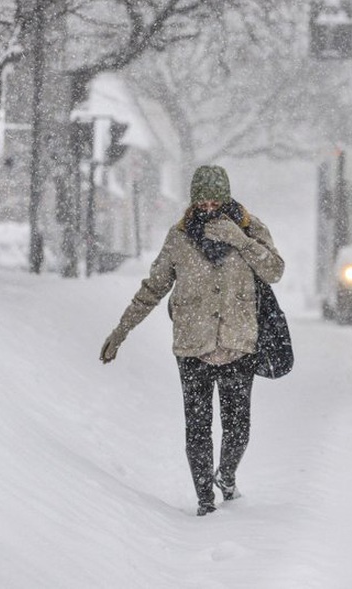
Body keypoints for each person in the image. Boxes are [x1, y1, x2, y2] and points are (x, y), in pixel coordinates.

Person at [99, 165, 284, 516]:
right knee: (198, 429)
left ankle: (226, 476)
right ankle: (204, 501)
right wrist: (121, 332)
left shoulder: (249, 227)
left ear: (227, 197)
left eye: (216, 199)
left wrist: (240, 241)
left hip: (238, 345)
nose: (210, 206)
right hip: (192, 347)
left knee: (237, 427)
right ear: (193, 200)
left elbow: (274, 270)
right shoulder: (179, 237)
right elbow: (153, 289)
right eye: (203, 200)